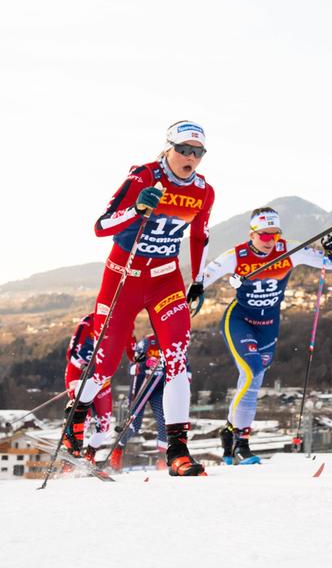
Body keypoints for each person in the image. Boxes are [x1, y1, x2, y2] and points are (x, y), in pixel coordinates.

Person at [64, 121, 214, 477]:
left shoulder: (204, 191)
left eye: (198, 152)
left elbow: (200, 236)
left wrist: (198, 281)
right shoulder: (144, 177)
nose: (190, 158)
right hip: (124, 277)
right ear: (167, 148)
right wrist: (137, 210)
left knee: (177, 359)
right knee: (105, 363)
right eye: (184, 150)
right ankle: (76, 421)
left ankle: (178, 451)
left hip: (166, 280)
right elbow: (101, 226)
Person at [193, 207, 332, 465]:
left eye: (274, 235)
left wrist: (330, 249)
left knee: (253, 381)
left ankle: (229, 430)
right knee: (250, 371)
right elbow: (204, 277)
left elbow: (330, 263)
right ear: (252, 234)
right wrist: (195, 290)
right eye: (264, 235)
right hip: (240, 320)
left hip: (269, 324)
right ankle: (241, 442)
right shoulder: (236, 255)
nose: (270, 241)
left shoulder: (289, 249)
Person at [110, 333, 166, 470]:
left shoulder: (171, 341)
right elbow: (132, 368)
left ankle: (162, 460)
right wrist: (145, 364)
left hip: (158, 388)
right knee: (134, 426)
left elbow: (184, 366)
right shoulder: (146, 343)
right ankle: (118, 449)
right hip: (142, 387)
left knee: (163, 421)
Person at [63, 314, 113, 464]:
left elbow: (131, 352)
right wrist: (83, 366)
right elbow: (71, 353)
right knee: (84, 415)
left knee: (104, 424)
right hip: (79, 373)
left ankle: (90, 455)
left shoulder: (121, 322)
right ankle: (72, 451)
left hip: (102, 379)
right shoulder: (88, 322)